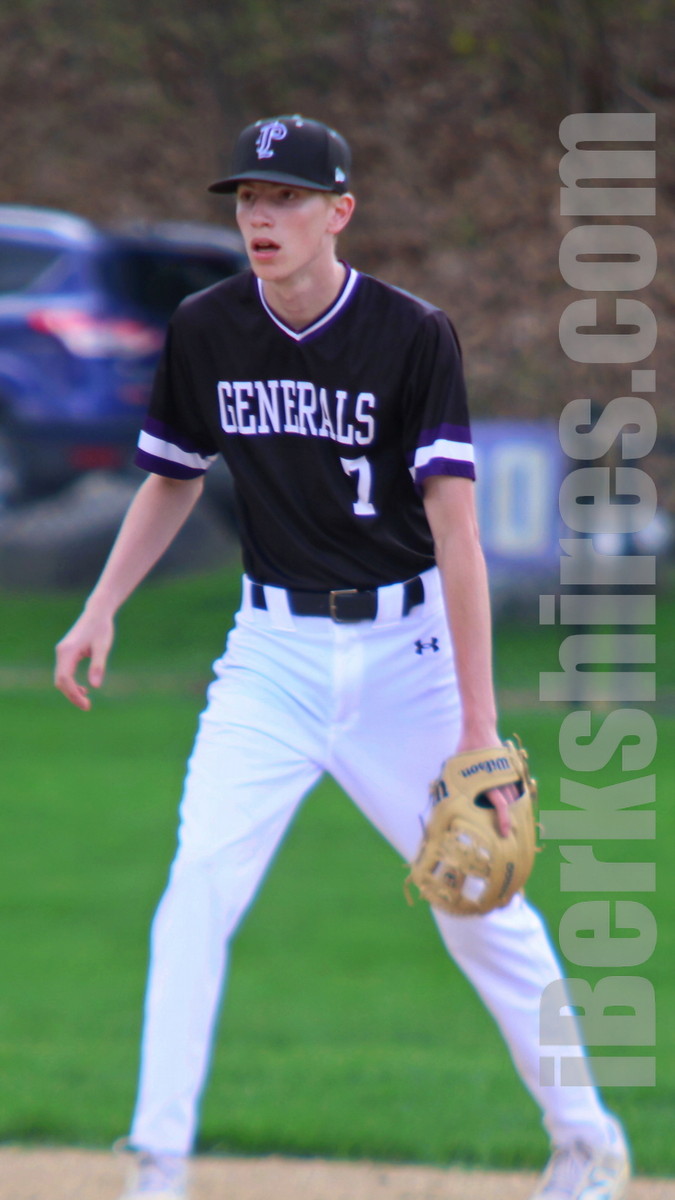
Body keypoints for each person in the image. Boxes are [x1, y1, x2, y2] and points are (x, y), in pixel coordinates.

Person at [55, 115, 631, 1200]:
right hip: (270, 656)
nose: (261, 217)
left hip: (407, 654)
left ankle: (587, 1139)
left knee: (483, 910)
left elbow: (457, 536)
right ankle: (157, 1164)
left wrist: (477, 728)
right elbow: (173, 474)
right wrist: (101, 606)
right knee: (197, 888)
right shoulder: (207, 328)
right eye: (247, 197)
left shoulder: (412, 335)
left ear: (339, 212)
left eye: (285, 197)